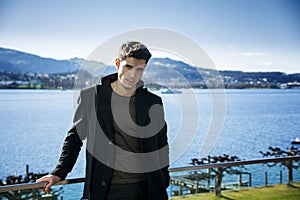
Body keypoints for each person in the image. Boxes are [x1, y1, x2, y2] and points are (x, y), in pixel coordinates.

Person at [36, 41, 170, 200]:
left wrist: (163, 178)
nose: (133, 75)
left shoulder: (153, 102)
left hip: (148, 190)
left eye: (139, 70)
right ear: (118, 63)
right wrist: (58, 173)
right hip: (106, 190)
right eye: (128, 67)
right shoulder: (91, 97)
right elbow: (75, 138)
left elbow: (161, 144)